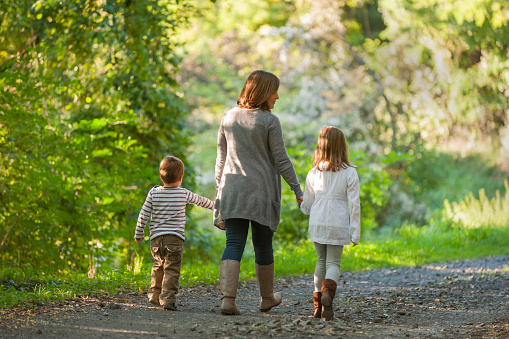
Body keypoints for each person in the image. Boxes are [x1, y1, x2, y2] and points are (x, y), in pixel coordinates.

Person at [214, 70, 304, 315]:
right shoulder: (269, 121)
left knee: (233, 243)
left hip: (232, 190)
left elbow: (220, 160)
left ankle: (227, 300)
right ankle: (266, 298)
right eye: (274, 91)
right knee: (263, 245)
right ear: (264, 92)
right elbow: (281, 159)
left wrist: (218, 191)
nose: (277, 96)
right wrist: (297, 189)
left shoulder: (229, 116)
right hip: (262, 193)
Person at [134, 155, 215, 311]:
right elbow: (201, 201)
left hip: (156, 239)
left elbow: (143, 213)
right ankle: (168, 299)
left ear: (161, 176)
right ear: (181, 177)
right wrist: (216, 206)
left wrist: (139, 232)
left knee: (158, 266)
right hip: (175, 239)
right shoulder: (183, 193)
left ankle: (154, 295)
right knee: (171, 269)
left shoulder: (153, 193)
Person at [300, 126, 361, 321]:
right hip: (337, 222)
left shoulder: (313, 173)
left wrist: (302, 206)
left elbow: (307, 205)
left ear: (321, 147)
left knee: (320, 261)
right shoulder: (349, 173)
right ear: (343, 147)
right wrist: (355, 232)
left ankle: (318, 307)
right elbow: (355, 205)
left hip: (318, 221)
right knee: (334, 262)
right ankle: (328, 296)